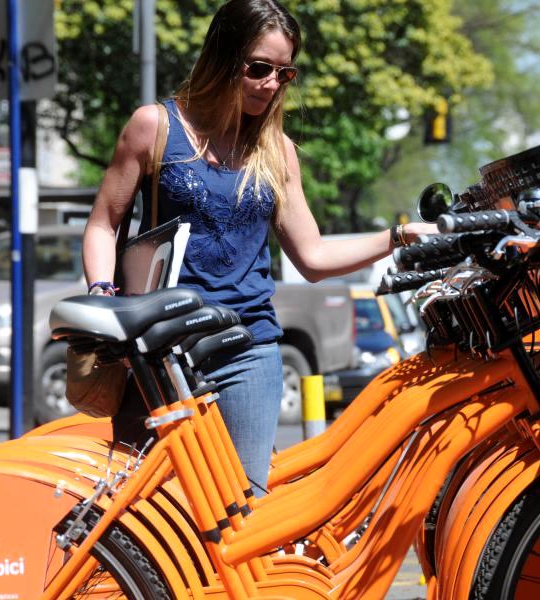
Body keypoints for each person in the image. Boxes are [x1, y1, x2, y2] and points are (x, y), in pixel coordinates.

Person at [82, 0, 436, 496]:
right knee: (147, 512)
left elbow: (311, 258)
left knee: (245, 510)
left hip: (247, 349)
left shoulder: (278, 150)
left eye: (284, 73)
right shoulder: (155, 127)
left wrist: (396, 237)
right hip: (160, 353)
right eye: (259, 68)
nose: (271, 84)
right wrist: (102, 294)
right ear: (224, 58)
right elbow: (103, 223)